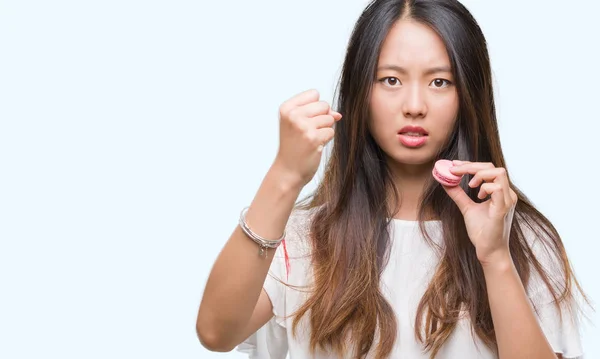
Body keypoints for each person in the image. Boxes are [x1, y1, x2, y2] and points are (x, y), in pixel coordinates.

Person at [196, 0, 588, 358]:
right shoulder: (303, 241)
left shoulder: (523, 241)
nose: (414, 106)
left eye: (439, 82)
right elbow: (216, 332)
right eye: (391, 80)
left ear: (468, 94)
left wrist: (495, 257)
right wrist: (284, 175)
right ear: (359, 91)